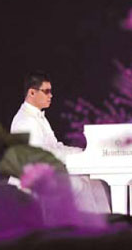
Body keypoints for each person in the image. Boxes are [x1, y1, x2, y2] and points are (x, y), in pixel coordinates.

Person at [9, 71, 110, 214]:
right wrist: (78, 157)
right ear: (32, 93)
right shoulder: (25, 121)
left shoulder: (38, 117)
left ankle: (104, 222)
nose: (51, 95)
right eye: (46, 91)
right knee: (81, 184)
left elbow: (55, 146)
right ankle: (90, 224)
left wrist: (81, 152)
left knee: (94, 181)